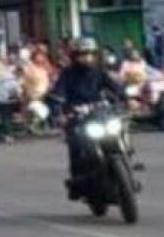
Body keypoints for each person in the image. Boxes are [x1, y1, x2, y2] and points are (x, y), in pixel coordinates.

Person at [48, 38, 122, 197]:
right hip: (77, 117)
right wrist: (59, 113)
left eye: (90, 54)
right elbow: (57, 94)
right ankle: (77, 182)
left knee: (119, 128)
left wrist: (129, 98)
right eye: (82, 54)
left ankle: (124, 158)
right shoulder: (67, 74)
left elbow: (115, 88)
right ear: (74, 56)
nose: (87, 58)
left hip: (100, 114)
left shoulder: (99, 72)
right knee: (76, 144)